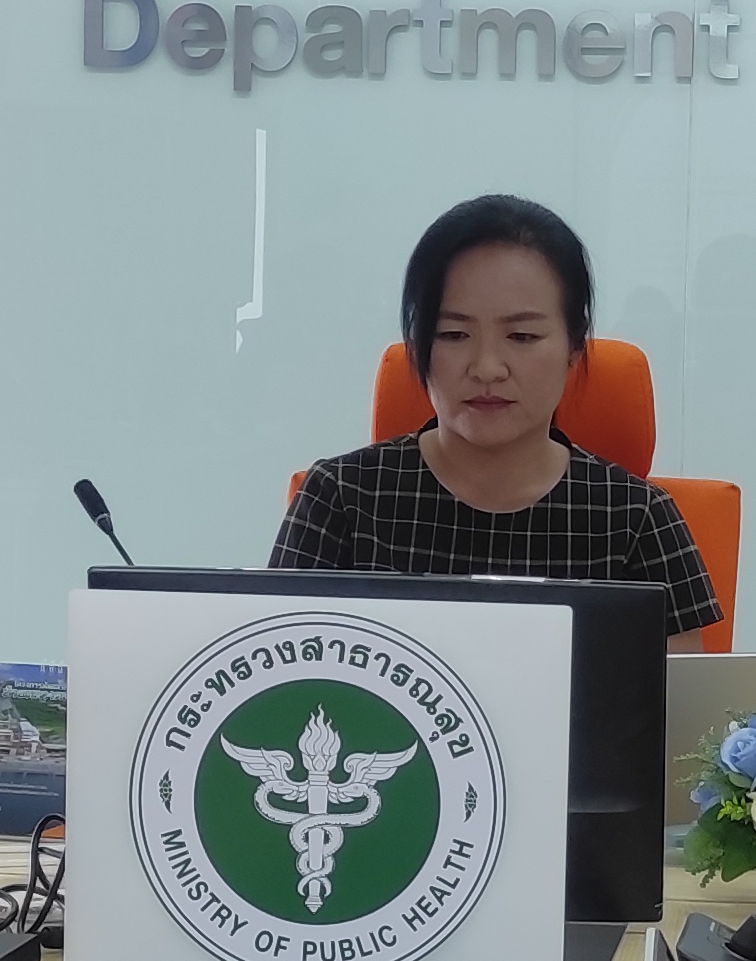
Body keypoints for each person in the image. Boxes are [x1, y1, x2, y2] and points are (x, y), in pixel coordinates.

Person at [271, 192, 724, 649]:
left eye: (521, 336)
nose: (487, 368)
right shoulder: (340, 500)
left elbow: (681, 695)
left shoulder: (637, 520)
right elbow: (278, 673)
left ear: (574, 345)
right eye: (453, 334)